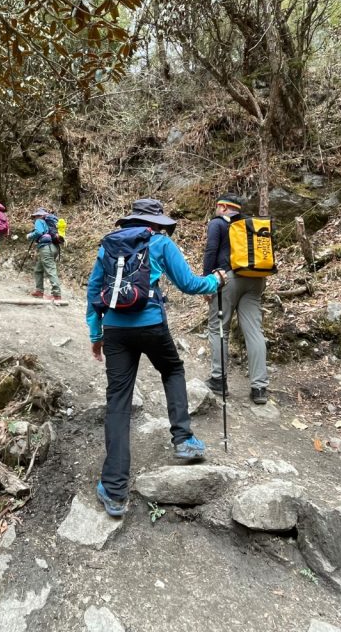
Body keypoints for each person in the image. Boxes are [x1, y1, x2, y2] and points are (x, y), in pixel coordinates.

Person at [86, 198, 227, 517]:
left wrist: (96, 336)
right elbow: (191, 285)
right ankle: (184, 439)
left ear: (129, 221)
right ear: (156, 223)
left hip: (115, 330)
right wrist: (217, 279)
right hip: (151, 325)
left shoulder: (107, 247)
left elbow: (94, 293)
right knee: (173, 370)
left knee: (118, 402)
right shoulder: (160, 243)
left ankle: (114, 490)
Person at [203, 193, 269, 405]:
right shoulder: (250, 225)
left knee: (218, 327)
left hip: (228, 279)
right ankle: (259, 388)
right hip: (256, 279)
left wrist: (206, 282)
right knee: (254, 331)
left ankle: (218, 380)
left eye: (217, 207)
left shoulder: (217, 224)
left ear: (223, 207)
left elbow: (211, 250)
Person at [26, 207, 61, 300]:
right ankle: (39, 291)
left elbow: (39, 232)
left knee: (50, 270)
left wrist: (29, 235)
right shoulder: (51, 223)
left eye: (35, 216)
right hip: (54, 247)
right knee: (38, 269)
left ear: (39, 215)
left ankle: (56, 294)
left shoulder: (39, 221)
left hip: (46, 248)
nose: (34, 218)